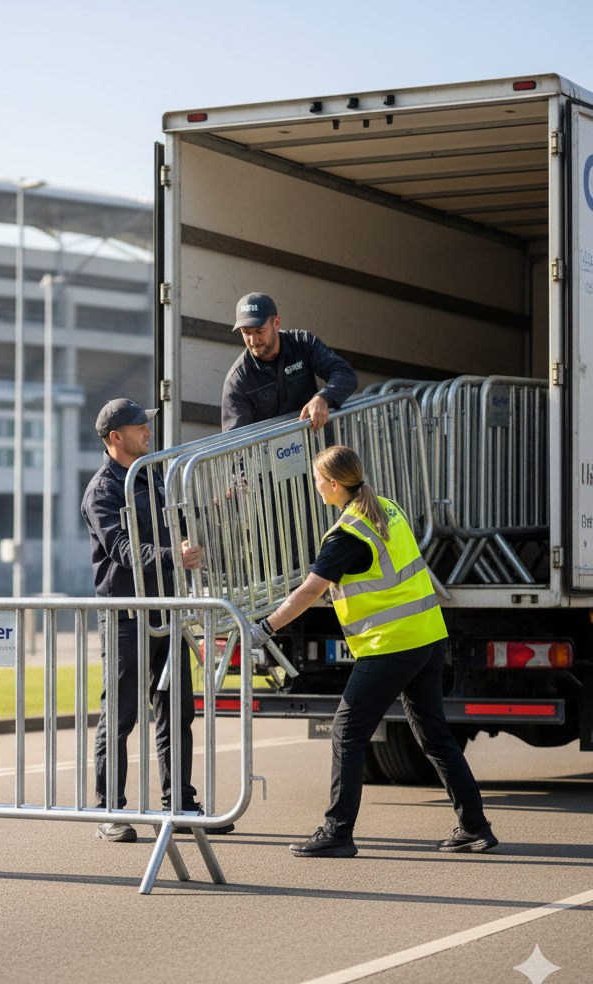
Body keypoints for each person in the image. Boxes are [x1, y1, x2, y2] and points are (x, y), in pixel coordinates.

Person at [247, 445, 497, 857]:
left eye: (316, 481)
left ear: (332, 484)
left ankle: (337, 832)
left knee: (347, 732)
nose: (315, 488)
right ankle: (475, 827)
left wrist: (266, 628)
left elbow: (310, 590)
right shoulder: (387, 507)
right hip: (428, 637)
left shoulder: (347, 534)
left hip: (391, 646)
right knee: (435, 737)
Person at [81, 398, 234, 841]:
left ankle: (181, 806)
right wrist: (175, 557)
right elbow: (123, 552)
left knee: (177, 710)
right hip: (126, 617)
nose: (148, 432)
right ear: (115, 438)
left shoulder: (151, 477)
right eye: (139, 427)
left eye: (147, 425)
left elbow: (181, 522)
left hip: (166, 612)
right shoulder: (103, 491)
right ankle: (109, 812)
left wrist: (218, 507)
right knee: (121, 715)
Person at [222, 292, 358, 432]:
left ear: (276, 323)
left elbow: (345, 374)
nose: (253, 341)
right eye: (246, 332)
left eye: (260, 331)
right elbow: (235, 442)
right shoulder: (237, 381)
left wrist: (323, 398)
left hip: (315, 445)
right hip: (272, 453)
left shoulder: (303, 343)